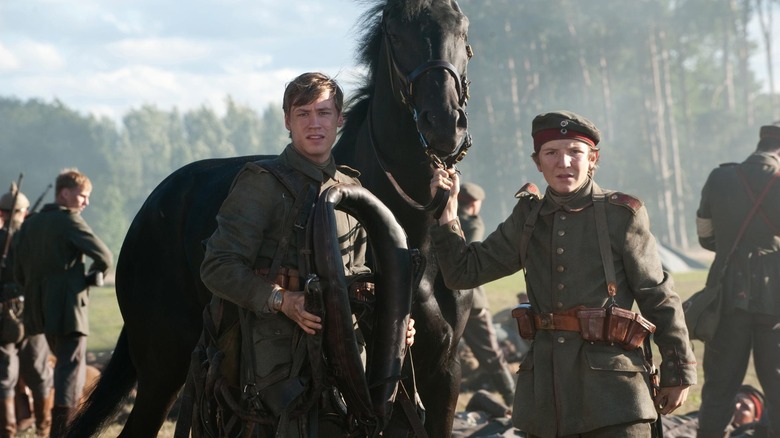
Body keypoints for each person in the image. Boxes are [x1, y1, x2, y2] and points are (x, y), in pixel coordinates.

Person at [429, 110, 697, 437]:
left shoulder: (621, 215)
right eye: (552, 153)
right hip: (545, 401)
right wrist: (447, 214)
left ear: (593, 159)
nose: (564, 163)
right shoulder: (528, 218)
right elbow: (463, 272)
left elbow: (658, 294)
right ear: (538, 162)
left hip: (614, 399)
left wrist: (679, 370)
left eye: (575, 152)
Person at [200, 72, 415, 436]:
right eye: (303, 114)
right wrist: (281, 300)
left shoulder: (352, 189)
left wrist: (393, 320)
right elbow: (217, 266)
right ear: (287, 121)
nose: (315, 123)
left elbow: (361, 275)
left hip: (347, 357)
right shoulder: (262, 184)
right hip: (277, 362)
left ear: (340, 119)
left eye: (324, 112)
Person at [695, 122, 780, 438]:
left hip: (727, 292)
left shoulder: (720, 177)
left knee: (719, 387)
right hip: (776, 295)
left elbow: (705, 236)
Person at [14, 169, 113, 436]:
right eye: (82, 196)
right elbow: (104, 256)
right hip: (70, 313)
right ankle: (62, 432)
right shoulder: (70, 222)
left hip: (40, 315)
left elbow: (16, 270)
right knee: (70, 373)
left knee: (63, 370)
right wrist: (91, 278)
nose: (86, 202)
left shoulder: (29, 225)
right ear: (65, 193)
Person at [0, 182, 55, 438]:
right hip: (31, 315)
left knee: (4, 377)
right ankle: (44, 430)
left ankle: (7, 431)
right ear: (23, 212)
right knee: (39, 373)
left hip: (3, 318)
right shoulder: (35, 238)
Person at [457, 182, 516, 405]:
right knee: (490, 353)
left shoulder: (440, 218)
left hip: (440, 297)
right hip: (471, 300)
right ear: (474, 204)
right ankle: (511, 397)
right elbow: (470, 259)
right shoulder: (472, 223)